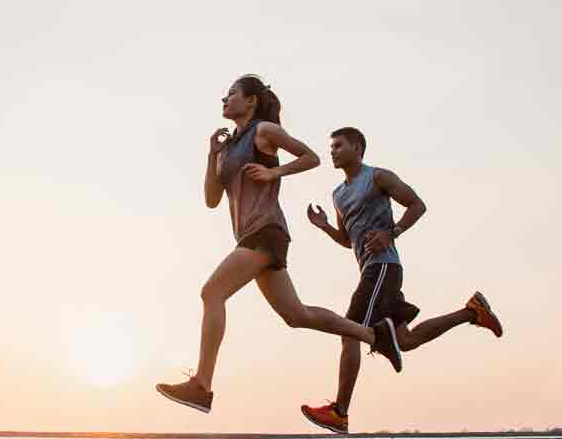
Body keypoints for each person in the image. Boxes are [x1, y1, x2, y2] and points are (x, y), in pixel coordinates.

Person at [156, 78, 402, 414]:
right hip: (248, 235)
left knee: (211, 293)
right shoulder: (227, 148)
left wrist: (275, 173)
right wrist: (212, 154)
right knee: (296, 315)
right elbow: (212, 199)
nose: (225, 99)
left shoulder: (264, 131)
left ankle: (202, 385)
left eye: (232, 94)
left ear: (252, 101)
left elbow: (311, 157)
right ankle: (375, 336)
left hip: (266, 231)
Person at [300, 126, 503, 433]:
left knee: (349, 330)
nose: (333, 151)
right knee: (405, 341)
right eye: (331, 147)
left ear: (358, 148)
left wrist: (391, 233)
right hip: (373, 269)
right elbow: (347, 240)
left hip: (383, 267)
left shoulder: (378, 177)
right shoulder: (338, 194)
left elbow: (417, 205)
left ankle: (340, 411)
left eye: (339, 146)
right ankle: (472, 311)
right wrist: (325, 226)